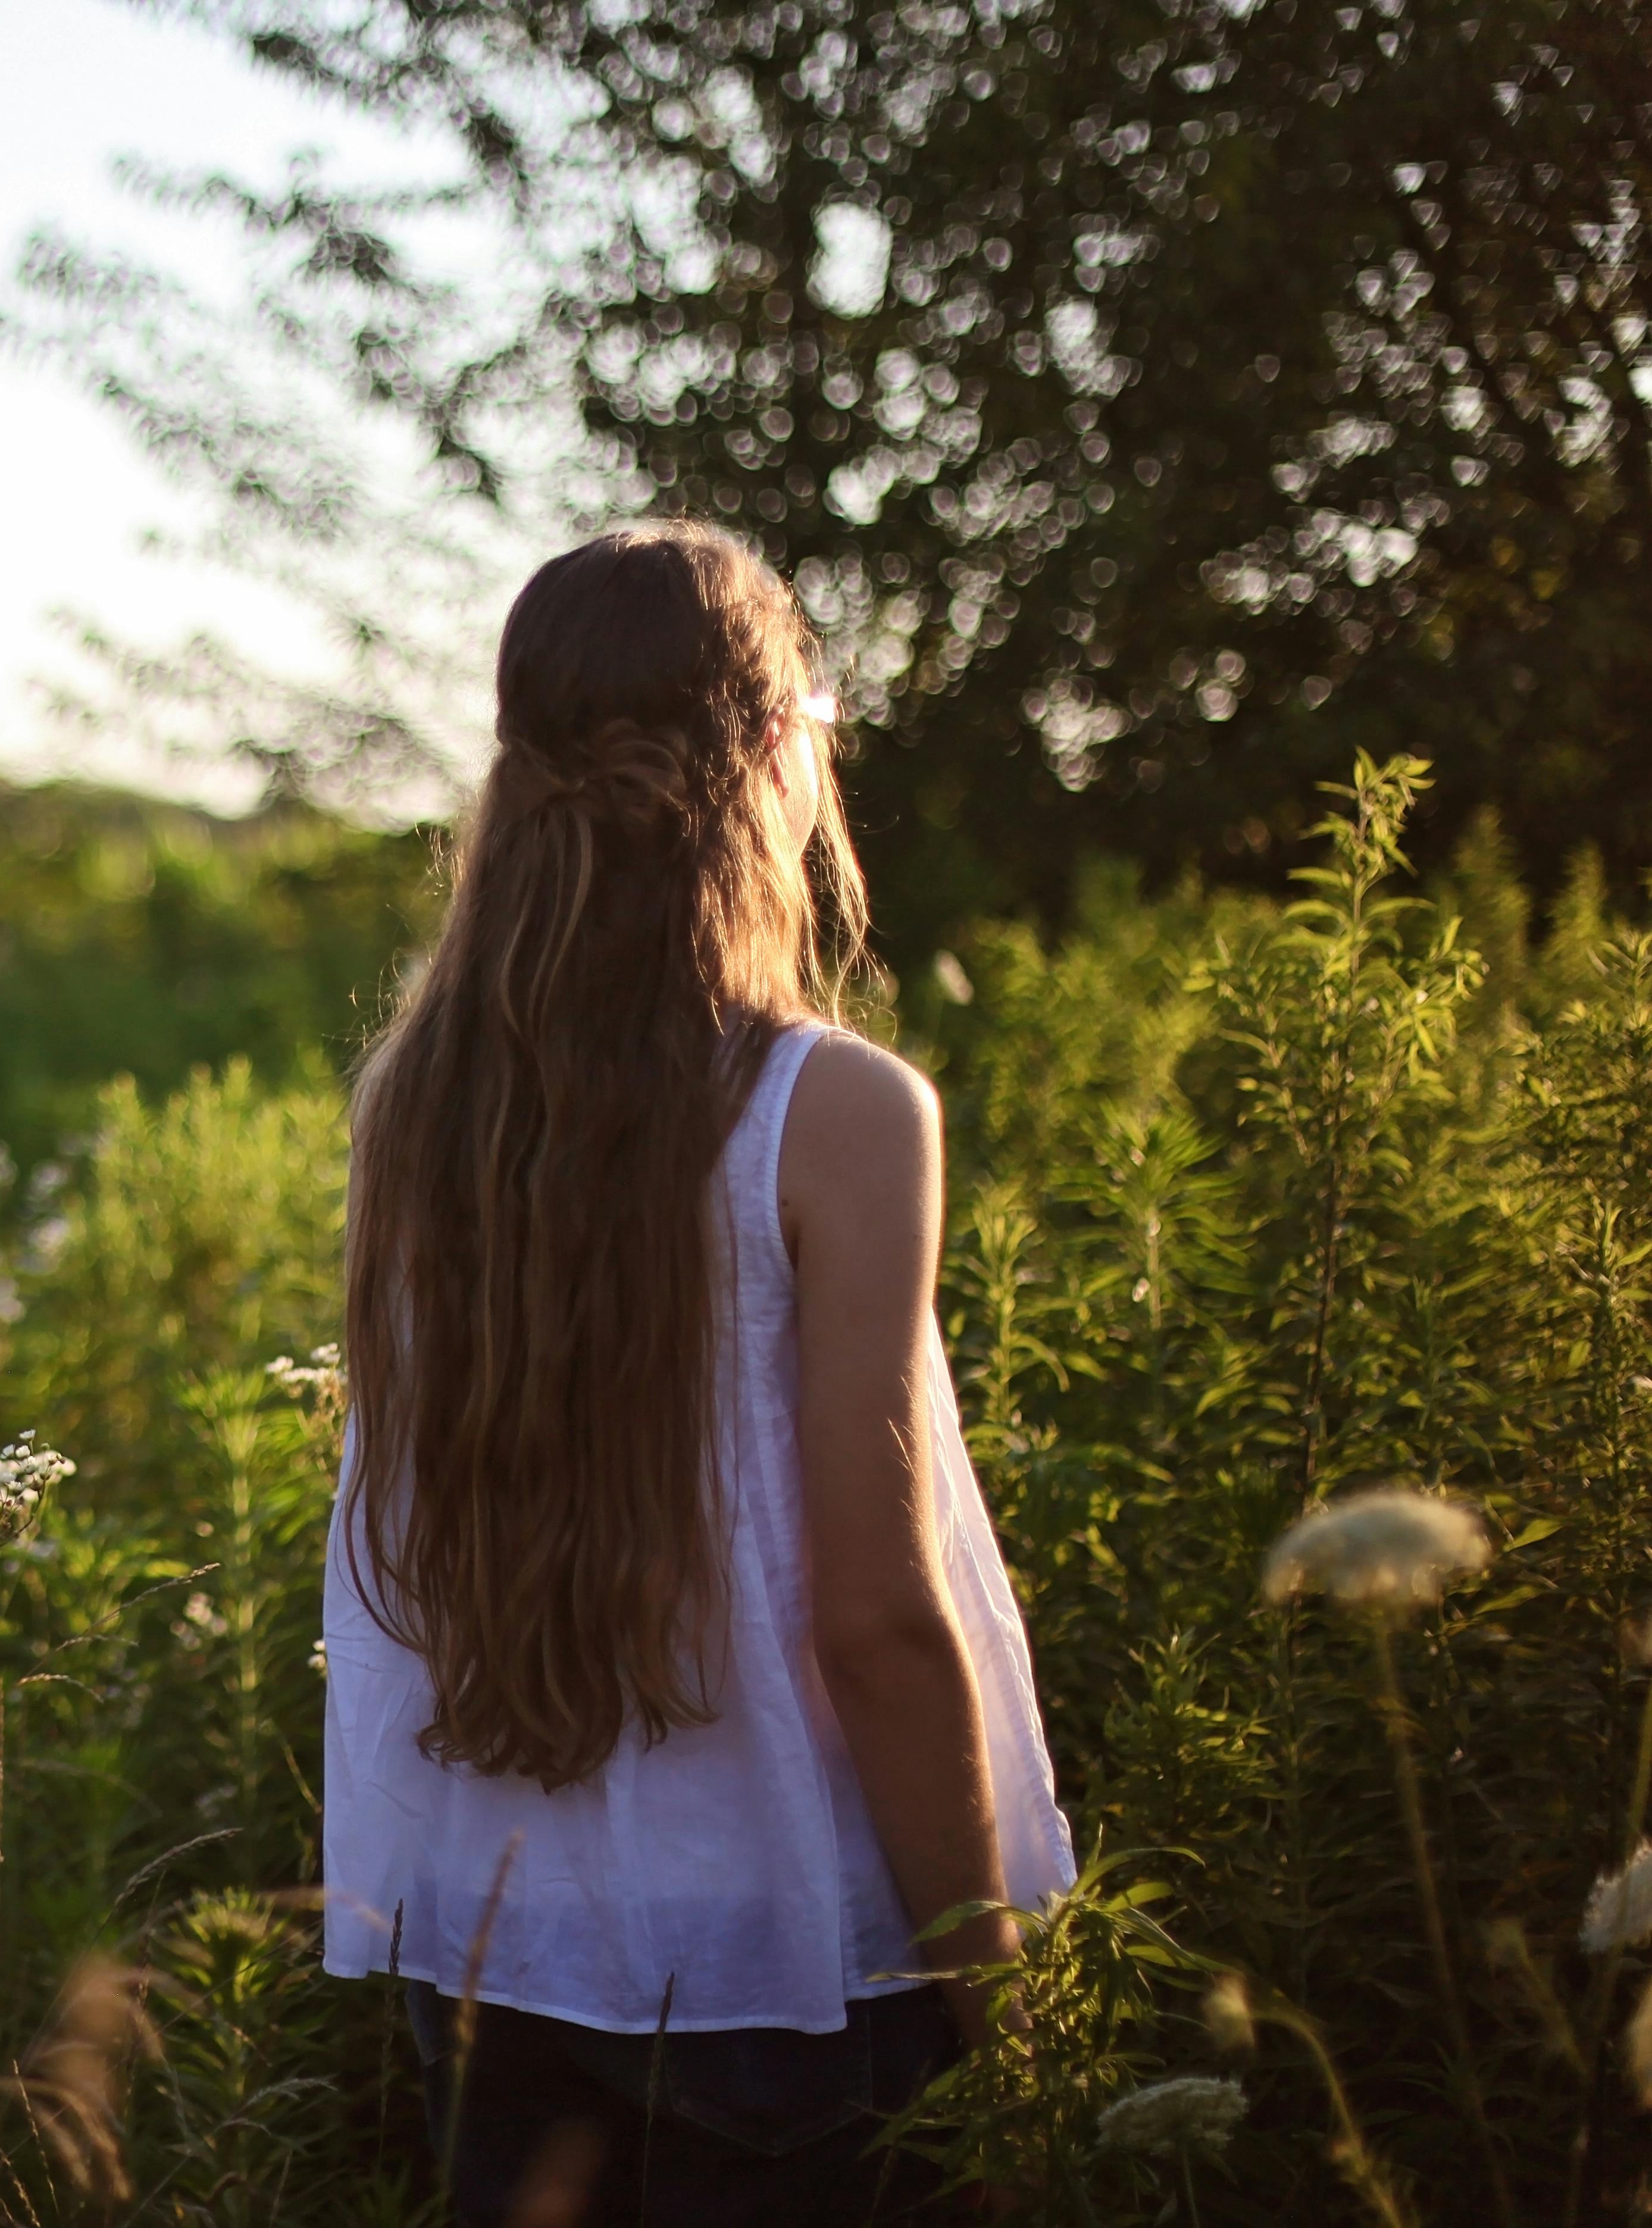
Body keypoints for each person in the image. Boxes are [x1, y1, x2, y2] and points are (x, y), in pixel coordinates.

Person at [321, 519, 1074, 2227]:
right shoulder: (836, 1112)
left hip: (500, 1960)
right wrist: (1004, 2007)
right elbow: (877, 1621)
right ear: (768, 751)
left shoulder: (418, 1106)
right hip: (783, 1977)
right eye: (818, 713)